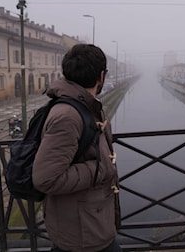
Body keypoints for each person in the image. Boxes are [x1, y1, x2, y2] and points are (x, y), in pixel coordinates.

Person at [32, 44, 121, 252]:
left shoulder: (83, 106)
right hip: (83, 233)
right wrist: (101, 168)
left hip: (88, 222)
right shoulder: (68, 116)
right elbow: (45, 178)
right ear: (101, 76)